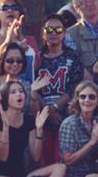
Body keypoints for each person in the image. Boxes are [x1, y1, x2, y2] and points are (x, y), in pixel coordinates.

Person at [35, 13, 84, 164]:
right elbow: (32, 88)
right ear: (43, 33)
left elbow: (74, 88)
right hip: (40, 114)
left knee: (64, 158)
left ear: (64, 33)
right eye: (49, 30)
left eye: (58, 30)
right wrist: (48, 110)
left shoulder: (73, 57)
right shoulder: (36, 58)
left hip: (66, 115)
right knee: (43, 157)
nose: (53, 33)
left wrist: (55, 107)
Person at [0, 0, 38, 81]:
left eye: (14, 7)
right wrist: (7, 42)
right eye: (4, 8)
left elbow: (35, 66)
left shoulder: (30, 40)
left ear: (20, 13)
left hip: (22, 90)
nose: (10, 10)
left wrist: (21, 40)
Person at [0, 43, 44, 117]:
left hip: (24, 127)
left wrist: (34, 96)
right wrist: (7, 96)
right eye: (10, 60)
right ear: (2, 61)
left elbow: (35, 115)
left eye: (19, 61)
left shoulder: (26, 84)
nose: (15, 64)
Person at [64, 0, 98, 73]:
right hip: (86, 83)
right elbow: (73, 64)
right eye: (83, 2)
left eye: (92, 0)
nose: (89, 4)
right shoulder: (70, 34)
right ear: (76, 8)